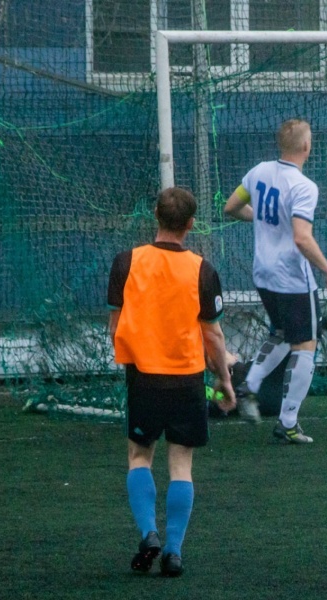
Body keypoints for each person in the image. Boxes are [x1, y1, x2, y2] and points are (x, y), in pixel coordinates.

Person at [108, 187, 236, 576]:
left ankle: (149, 532)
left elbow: (115, 324)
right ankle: (174, 551)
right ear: (191, 224)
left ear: (156, 217)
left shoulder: (126, 262)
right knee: (181, 464)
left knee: (138, 456)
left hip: (143, 376)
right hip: (187, 379)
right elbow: (213, 335)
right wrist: (224, 378)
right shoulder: (202, 270)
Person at [224, 118, 327, 444]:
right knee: (306, 344)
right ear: (306, 146)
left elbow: (231, 207)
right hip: (292, 278)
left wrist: (262, 218)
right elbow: (302, 238)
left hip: (263, 273)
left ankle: (249, 384)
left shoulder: (258, 171)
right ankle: (288, 423)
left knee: (282, 334)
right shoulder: (304, 187)